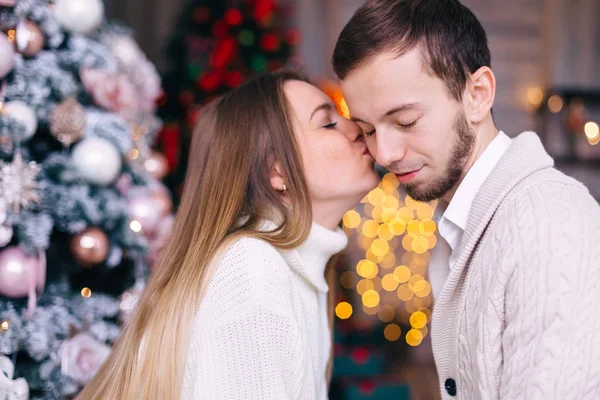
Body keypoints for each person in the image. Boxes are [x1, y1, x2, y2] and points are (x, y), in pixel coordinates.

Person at [333, 0, 600, 399]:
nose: (384, 154)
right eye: (367, 129)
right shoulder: (463, 219)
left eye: (405, 121)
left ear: (477, 94)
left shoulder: (548, 222)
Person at [77, 70, 379, 399]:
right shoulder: (254, 271)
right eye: (328, 122)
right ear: (276, 171)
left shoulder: (295, 268)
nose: (358, 129)